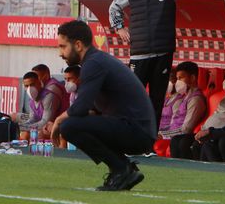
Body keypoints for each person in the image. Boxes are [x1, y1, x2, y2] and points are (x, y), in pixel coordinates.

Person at [51, 20, 156, 191]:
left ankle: (121, 169)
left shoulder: (94, 63)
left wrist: (58, 121)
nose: (60, 53)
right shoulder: (96, 60)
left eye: (63, 46)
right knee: (74, 123)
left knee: (70, 126)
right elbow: (92, 109)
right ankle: (123, 168)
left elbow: (80, 108)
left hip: (137, 131)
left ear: (77, 45)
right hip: (136, 129)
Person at [109, 0, 197, 128]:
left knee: (157, 98)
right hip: (139, 53)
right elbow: (114, 7)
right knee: (133, 95)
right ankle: (129, 134)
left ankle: (150, 140)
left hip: (162, 52)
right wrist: (119, 28)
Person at [158, 61, 206, 159]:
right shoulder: (185, 97)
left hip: (180, 136)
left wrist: (163, 135)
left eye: (180, 78)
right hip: (173, 134)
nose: (178, 82)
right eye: (177, 78)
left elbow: (186, 129)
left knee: (177, 141)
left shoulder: (196, 99)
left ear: (192, 78)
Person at [190, 65, 225, 160]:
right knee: (179, 141)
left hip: (218, 133)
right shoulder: (223, 97)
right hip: (206, 131)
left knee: (206, 146)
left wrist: (211, 132)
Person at [11, 71, 62, 140]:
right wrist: (22, 126)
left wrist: (22, 127)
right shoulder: (32, 99)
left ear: (39, 83)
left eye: (32, 85)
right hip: (43, 125)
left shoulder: (48, 96)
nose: (29, 88)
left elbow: (45, 123)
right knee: (13, 118)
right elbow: (33, 119)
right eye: (26, 86)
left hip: (55, 126)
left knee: (37, 134)